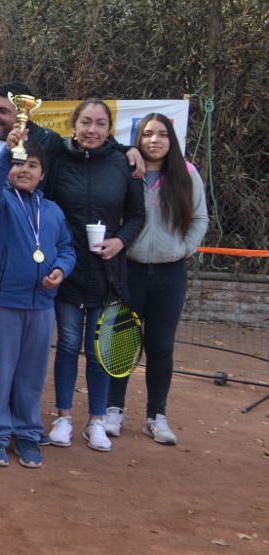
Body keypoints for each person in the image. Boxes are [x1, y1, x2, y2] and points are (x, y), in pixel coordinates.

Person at [42, 99, 145, 452]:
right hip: (68, 269)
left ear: (109, 128)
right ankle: (63, 418)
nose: (92, 130)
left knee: (100, 351)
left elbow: (136, 215)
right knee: (68, 345)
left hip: (108, 274)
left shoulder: (123, 162)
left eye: (100, 123)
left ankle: (96, 422)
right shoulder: (57, 160)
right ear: (74, 124)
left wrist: (120, 240)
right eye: (86, 122)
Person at [104, 113, 208, 445]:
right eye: (147, 134)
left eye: (162, 134)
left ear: (171, 139)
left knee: (161, 348)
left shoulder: (187, 174)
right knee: (122, 344)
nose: (154, 140)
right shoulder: (125, 169)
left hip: (169, 274)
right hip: (128, 270)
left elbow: (200, 217)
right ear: (138, 138)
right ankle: (113, 411)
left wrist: (185, 248)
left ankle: (156, 416)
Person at [0, 135, 75, 468]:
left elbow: (66, 249)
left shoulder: (53, 211)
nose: (24, 169)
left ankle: (29, 435)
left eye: (32, 165)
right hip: (2, 302)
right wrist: (7, 152)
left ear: (42, 175)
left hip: (42, 305)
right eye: (18, 163)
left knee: (31, 376)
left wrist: (61, 269)